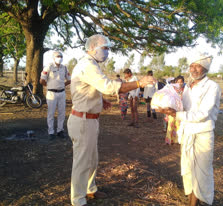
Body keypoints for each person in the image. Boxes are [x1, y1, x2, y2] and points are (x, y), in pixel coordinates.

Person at [67, 34, 156, 206]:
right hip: (83, 120)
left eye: (108, 48)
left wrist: (100, 100)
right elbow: (108, 86)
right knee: (82, 161)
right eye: (105, 48)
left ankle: (90, 189)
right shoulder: (87, 65)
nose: (107, 52)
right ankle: (77, 199)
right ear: (92, 47)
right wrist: (139, 83)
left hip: (90, 120)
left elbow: (91, 88)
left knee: (92, 159)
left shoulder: (92, 64)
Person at [157, 55, 221, 206]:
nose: (193, 69)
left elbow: (204, 114)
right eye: (191, 66)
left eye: (197, 66)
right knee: (188, 168)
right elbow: (184, 107)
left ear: (205, 68)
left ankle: (199, 201)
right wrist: (169, 108)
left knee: (202, 171)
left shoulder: (212, 86)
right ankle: (192, 200)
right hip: (187, 132)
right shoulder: (188, 87)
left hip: (202, 133)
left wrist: (177, 114)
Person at [40, 51, 71, 140]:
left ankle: (60, 131)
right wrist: (49, 86)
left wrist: (62, 85)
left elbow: (69, 80)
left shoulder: (64, 67)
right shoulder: (48, 67)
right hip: (51, 94)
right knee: (51, 113)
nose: (59, 58)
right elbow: (41, 80)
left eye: (61, 56)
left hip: (62, 93)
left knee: (62, 113)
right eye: (58, 56)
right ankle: (51, 132)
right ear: (53, 58)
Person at [165, 75, 185, 145]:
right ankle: (169, 140)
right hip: (172, 110)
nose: (180, 83)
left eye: (181, 82)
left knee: (179, 125)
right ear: (175, 82)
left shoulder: (185, 90)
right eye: (178, 82)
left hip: (180, 111)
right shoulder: (172, 89)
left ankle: (177, 140)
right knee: (171, 124)